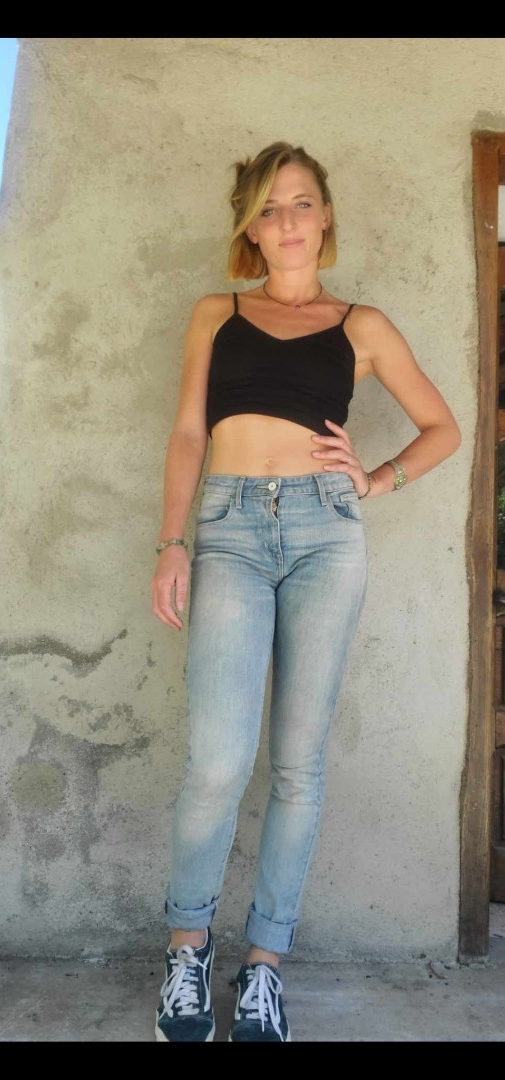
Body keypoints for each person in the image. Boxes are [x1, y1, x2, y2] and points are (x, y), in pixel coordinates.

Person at [150, 141, 461, 1043]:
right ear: (250, 227)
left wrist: (376, 479)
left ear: (325, 217)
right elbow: (186, 433)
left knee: (297, 765)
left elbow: (442, 427)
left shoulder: (362, 326)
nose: (285, 220)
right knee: (218, 760)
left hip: (326, 534)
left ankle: (264, 966)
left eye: (300, 202)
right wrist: (171, 543)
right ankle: (186, 951)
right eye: (268, 206)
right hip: (229, 529)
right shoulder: (216, 313)